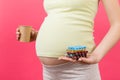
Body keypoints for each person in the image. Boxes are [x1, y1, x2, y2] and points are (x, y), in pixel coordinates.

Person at [16, 0, 120, 80]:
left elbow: (118, 24)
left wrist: (97, 55)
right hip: (49, 72)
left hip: (78, 69)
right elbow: (62, 17)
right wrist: (38, 35)